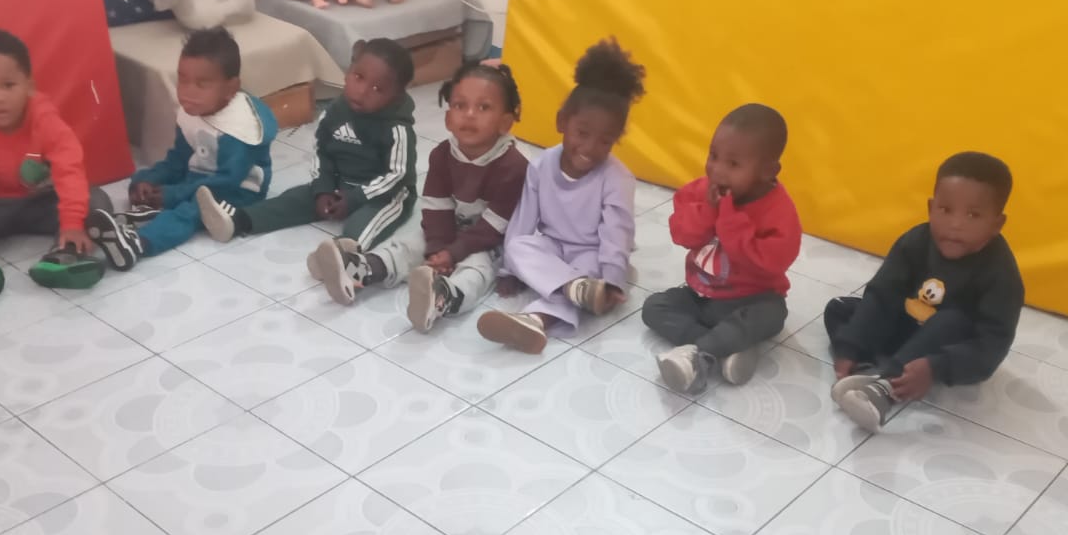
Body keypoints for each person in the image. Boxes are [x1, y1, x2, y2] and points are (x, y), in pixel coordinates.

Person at [310, 60, 530, 331]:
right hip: (453, 226)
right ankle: (361, 269)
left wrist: (454, 253)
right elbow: (436, 206)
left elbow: (494, 225)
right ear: (448, 119)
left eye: (483, 107)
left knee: (477, 270)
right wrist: (438, 249)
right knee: (409, 244)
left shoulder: (514, 166)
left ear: (506, 122)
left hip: (494, 240)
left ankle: (442, 297)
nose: (470, 114)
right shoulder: (442, 154)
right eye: (460, 106)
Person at [827, 151, 1024, 431]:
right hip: (907, 327)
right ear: (931, 207)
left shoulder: (1001, 274)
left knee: (951, 319)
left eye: (973, 215)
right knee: (839, 309)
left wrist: (937, 367)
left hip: (945, 346)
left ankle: (885, 387)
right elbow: (883, 294)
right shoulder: (915, 241)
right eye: (945, 210)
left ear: (997, 224)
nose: (955, 224)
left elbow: (992, 345)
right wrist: (851, 344)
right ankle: (862, 367)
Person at [476, 38, 643, 354]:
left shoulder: (617, 178)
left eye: (605, 141)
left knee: (589, 275)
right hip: (553, 246)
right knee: (517, 246)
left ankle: (536, 319)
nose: (590, 148)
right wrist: (510, 270)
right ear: (562, 122)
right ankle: (574, 288)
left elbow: (617, 234)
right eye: (582, 133)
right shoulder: (541, 166)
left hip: (591, 252)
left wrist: (612, 279)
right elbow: (523, 222)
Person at [0, 28, 111, 316]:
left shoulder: (46, 121)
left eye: (8, 85)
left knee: (97, 201)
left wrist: (72, 222)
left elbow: (69, 170)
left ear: (29, 85)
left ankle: (65, 256)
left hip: (41, 202)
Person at [85, 28, 279, 270]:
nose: (187, 91)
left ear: (231, 89)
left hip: (237, 192)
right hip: (202, 179)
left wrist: (173, 194)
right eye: (183, 80)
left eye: (202, 84)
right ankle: (135, 216)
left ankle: (138, 244)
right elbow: (178, 160)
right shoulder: (193, 113)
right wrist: (149, 180)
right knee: (154, 183)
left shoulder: (239, 128)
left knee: (190, 210)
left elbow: (227, 181)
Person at [198, 39, 417, 251]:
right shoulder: (335, 112)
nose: (362, 91)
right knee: (294, 198)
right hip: (340, 185)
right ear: (348, 71)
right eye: (358, 77)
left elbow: (397, 175)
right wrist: (323, 189)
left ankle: (345, 254)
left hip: (382, 194)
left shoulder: (396, 128)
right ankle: (238, 220)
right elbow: (322, 152)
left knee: (363, 222)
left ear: (396, 95)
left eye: (377, 89)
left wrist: (355, 198)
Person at [642, 104, 802, 393]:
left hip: (752, 301)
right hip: (701, 297)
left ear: (768, 171)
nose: (717, 170)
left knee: (772, 315)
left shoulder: (780, 213)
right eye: (713, 156)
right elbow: (682, 234)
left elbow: (766, 265)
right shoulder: (701, 191)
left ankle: (700, 353)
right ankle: (720, 348)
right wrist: (708, 209)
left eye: (733, 164)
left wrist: (728, 218)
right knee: (654, 307)